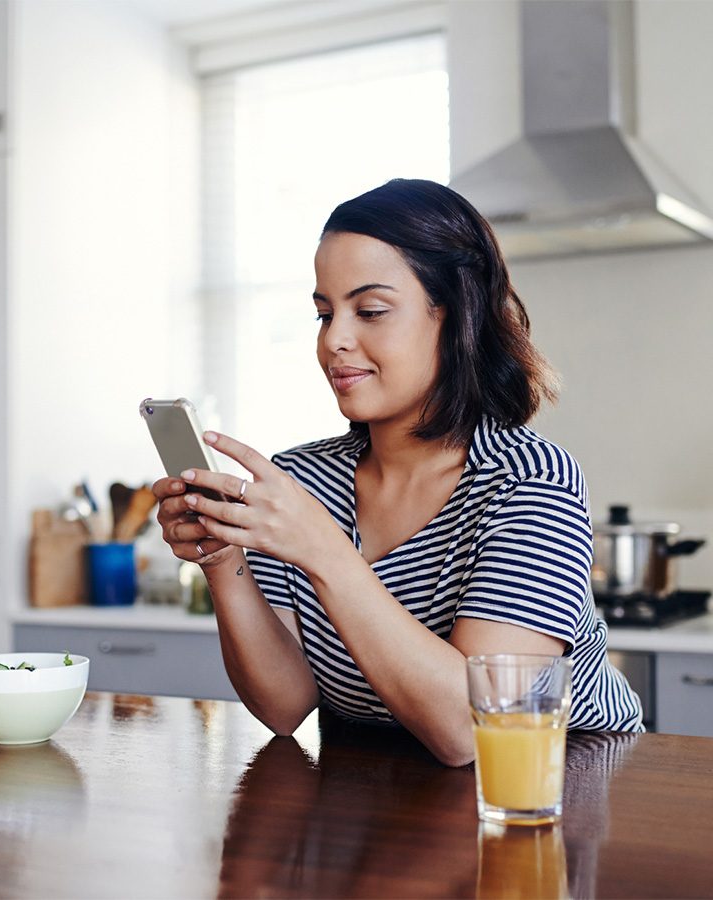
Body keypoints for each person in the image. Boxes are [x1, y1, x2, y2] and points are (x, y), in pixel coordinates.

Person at [154, 179, 644, 767]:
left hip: (562, 787)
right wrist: (220, 557)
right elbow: (284, 706)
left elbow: (477, 733)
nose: (334, 340)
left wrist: (323, 550)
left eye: (371, 311)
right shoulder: (303, 481)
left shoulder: (530, 479)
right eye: (324, 313)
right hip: (396, 797)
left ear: (455, 314)